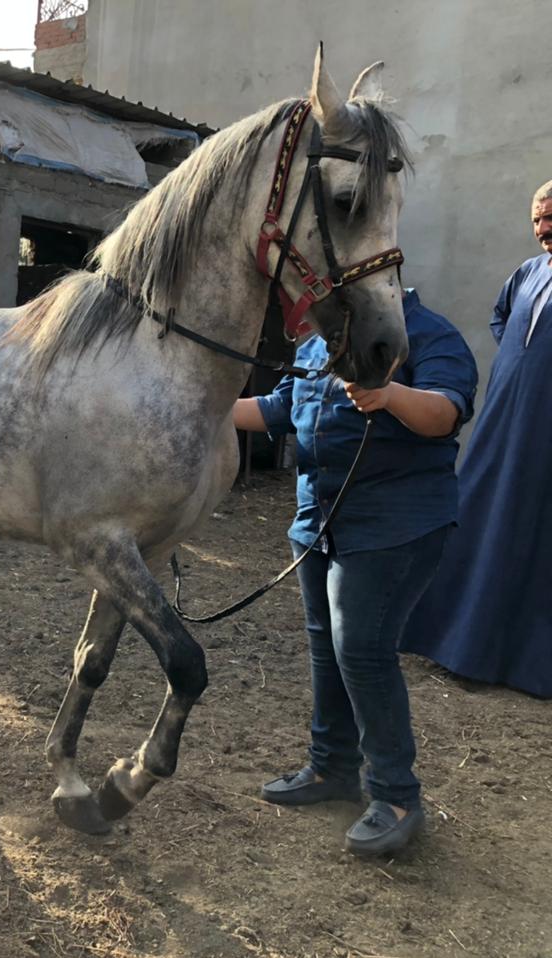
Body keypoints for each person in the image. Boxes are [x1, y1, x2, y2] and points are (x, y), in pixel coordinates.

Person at [233, 288, 477, 857]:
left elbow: (444, 414)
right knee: (329, 648)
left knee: (363, 651)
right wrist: (197, 401)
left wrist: (388, 394)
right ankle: (331, 770)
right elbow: (277, 411)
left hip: (395, 525)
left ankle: (396, 797)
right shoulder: (325, 341)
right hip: (320, 521)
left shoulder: (427, 332)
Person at [401, 182, 552, 698]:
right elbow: (503, 318)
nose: (543, 228)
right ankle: (456, 641)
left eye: (551, 217)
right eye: (536, 219)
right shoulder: (527, 274)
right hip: (503, 421)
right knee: (480, 518)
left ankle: (526, 661)